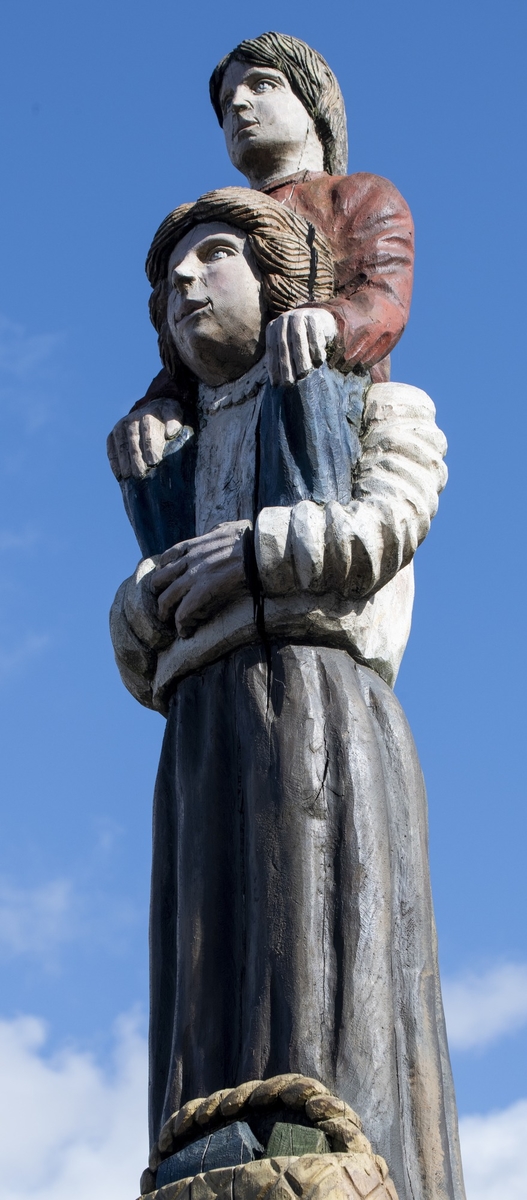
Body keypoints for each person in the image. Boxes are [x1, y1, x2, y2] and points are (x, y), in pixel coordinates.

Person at [109, 186, 465, 1200]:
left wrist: (259, 552)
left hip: (317, 704)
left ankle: (319, 1148)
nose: (183, 282)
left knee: (319, 938)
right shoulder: (169, 449)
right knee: (202, 957)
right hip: (199, 726)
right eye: (168, 276)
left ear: (279, 278)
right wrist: (146, 602)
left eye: (213, 255)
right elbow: (139, 642)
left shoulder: (374, 404)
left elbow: (383, 526)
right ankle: (206, 1144)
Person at [107, 32, 414, 485]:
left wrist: (329, 322)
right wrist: (160, 402)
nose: (238, 106)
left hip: (325, 413)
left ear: (314, 104)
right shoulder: (212, 225)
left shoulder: (359, 196)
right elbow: (186, 351)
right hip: (227, 427)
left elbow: (382, 300)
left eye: (262, 85)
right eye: (227, 99)